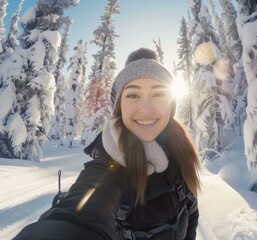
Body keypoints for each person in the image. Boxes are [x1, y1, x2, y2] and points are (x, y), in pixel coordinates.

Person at [14, 48, 201, 240]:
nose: (146, 109)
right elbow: (79, 214)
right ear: (119, 107)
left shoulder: (180, 149)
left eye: (159, 94)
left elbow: (191, 212)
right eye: (133, 95)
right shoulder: (110, 160)